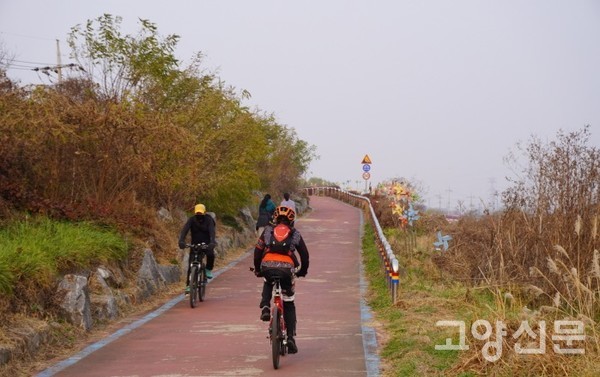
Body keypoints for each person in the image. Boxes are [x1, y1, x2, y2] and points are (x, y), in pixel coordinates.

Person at [253, 206, 309, 354]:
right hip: (286, 270)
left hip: (267, 266)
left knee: (267, 280)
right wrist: (303, 271)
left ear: (275, 218)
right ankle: (290, 337)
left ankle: (265, 307)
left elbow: (257, 251)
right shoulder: (295, 234)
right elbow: (305, 255)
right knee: (289, 302)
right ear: (292, 220)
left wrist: (258, 269)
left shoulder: (267, 231)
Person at [178, 203, 216, 293]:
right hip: (194, 244)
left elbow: (212, 232)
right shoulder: (191, 220)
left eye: (201, 213)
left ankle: (208, 269)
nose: (199, 215)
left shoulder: (209, 220)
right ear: (195, 213)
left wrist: (212, 242)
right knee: (191, 264)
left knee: (210, 254)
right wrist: (181, 241)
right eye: (197, 213)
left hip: (207, 243)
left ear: (205, 212)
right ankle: (188, 285)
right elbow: (184, 230)